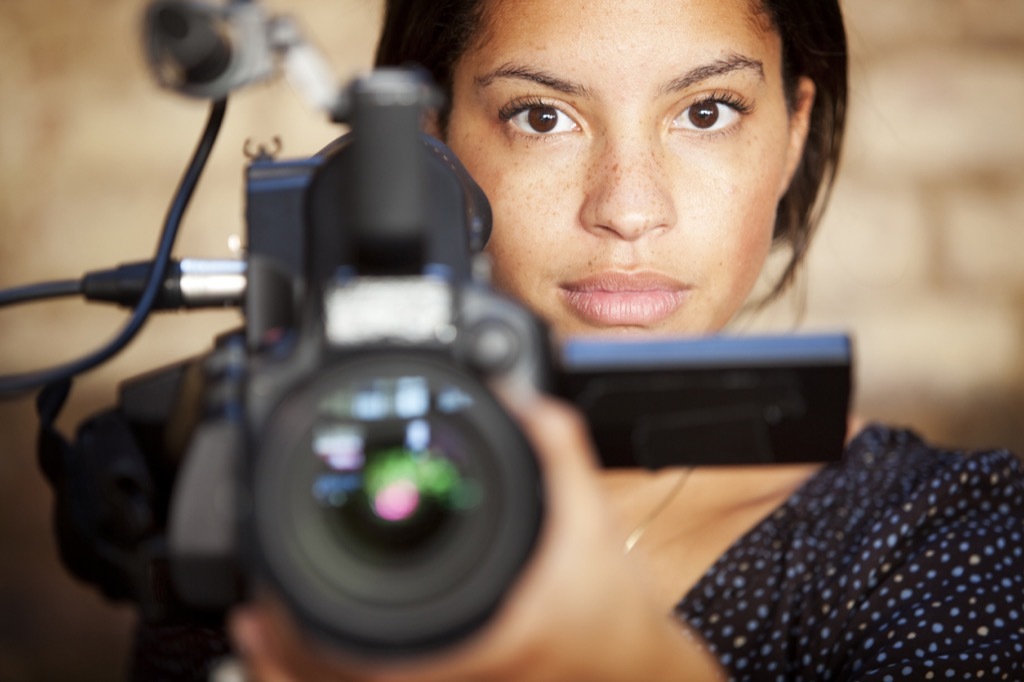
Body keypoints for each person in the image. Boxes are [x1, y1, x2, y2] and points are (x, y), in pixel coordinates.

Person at [215, 0, 1024, 679]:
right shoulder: (260, 495)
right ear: (431, 142)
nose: (629, 210)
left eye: (707, 113)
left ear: (792, 135)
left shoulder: (942, 536)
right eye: (542, 117)